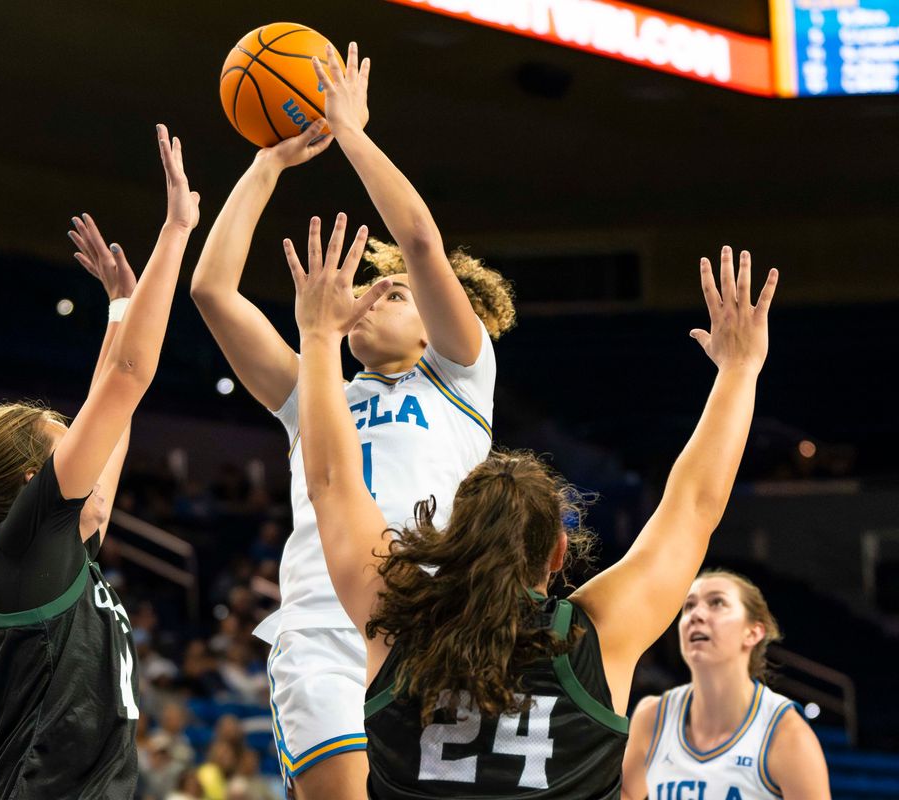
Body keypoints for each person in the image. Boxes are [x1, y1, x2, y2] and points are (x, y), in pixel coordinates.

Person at [289, 231, 779, 799]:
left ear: (451, 540)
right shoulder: (597, 637)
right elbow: (694, 506)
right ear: (558, 553)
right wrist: (740, 370)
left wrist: (319, 335)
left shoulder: (399, 617)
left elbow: (328, 481)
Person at [190, 41, 514, 800]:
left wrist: (354, 134)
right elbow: (212, 291)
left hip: (441, 619)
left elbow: (422, 242)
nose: (373, 298)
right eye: (371, 291)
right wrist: (268, 162)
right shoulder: (319, 395)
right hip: (323, 625)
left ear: (436, 325)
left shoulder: (462, 376)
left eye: (395, 295)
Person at [0, 123, 200, 800]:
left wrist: (122, 305)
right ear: (36, 483)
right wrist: (176, 230)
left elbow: (113, 409)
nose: (79, 434)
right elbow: (125, 382)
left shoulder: (61, 550)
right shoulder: (29, 543)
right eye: (63, 434)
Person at [621, 571, 830, 800]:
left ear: (752, 632)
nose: (696, 615)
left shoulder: (785, 733)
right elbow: (626, 794)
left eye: (717, 603)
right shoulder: (652, 718)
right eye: (689, 606)